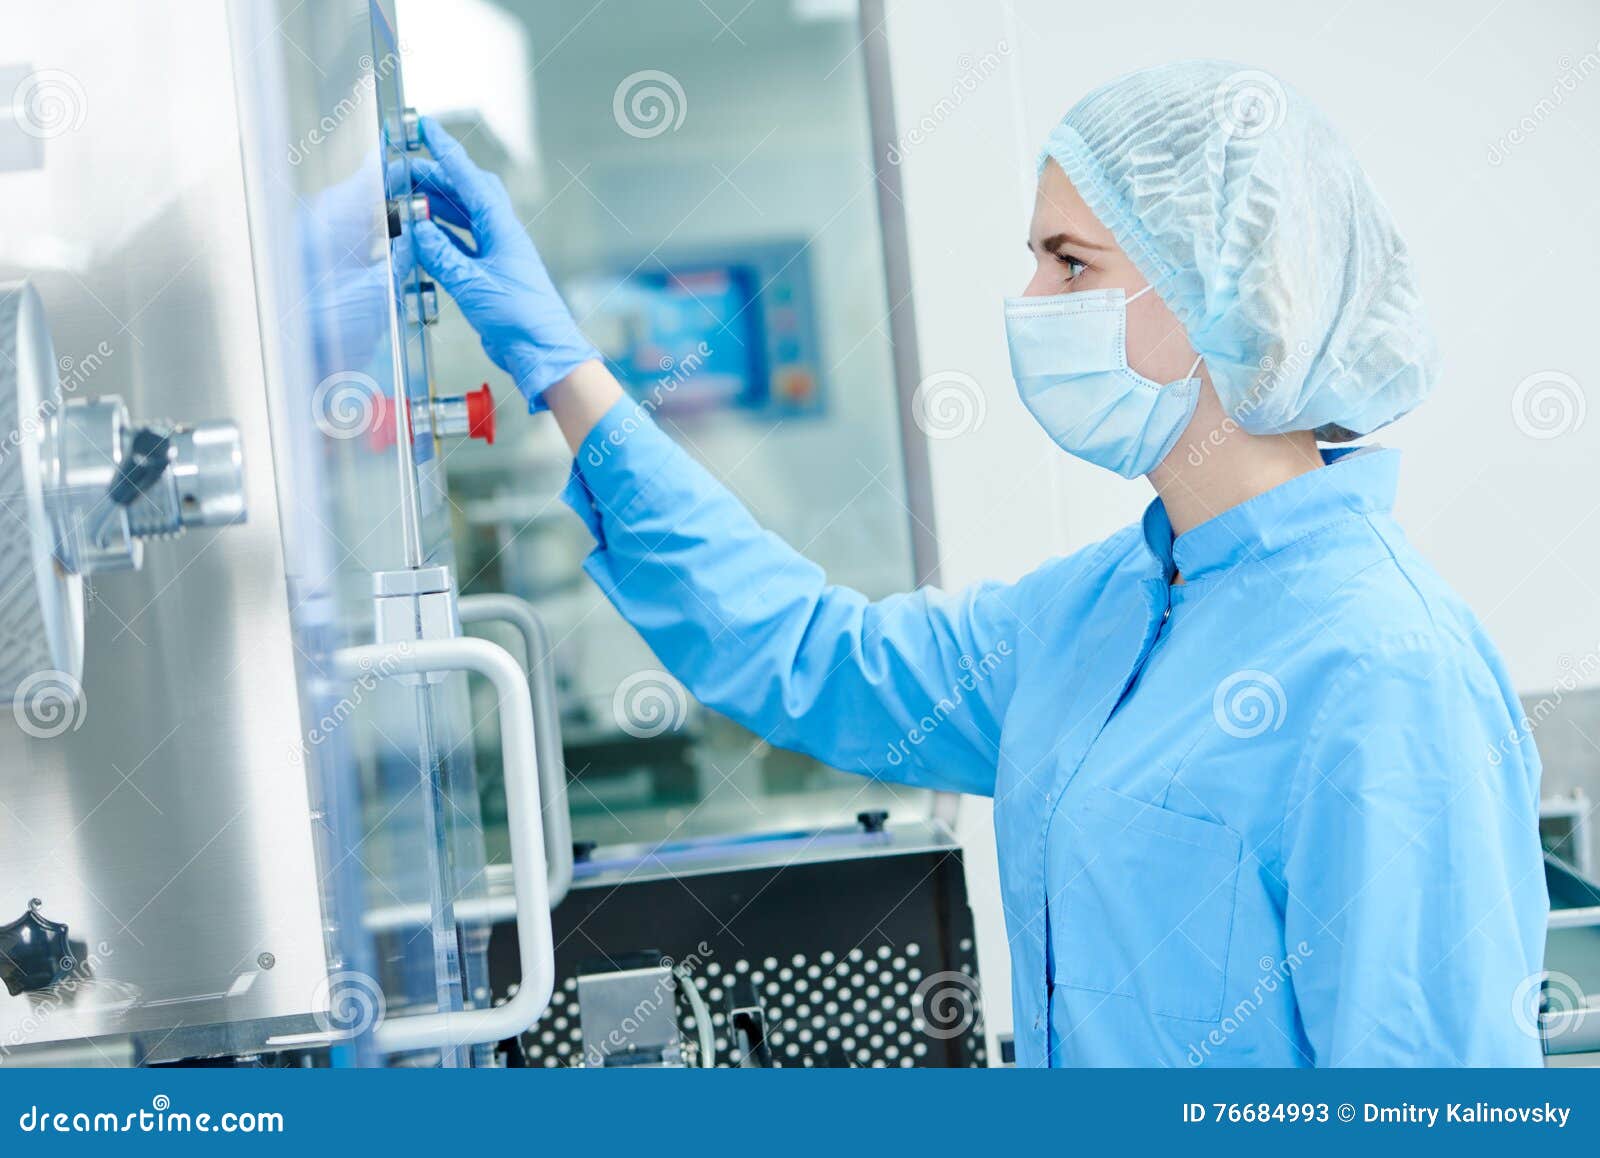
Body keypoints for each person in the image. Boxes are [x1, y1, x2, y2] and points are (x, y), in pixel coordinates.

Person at [405, 59, 1547, 1067]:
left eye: (1068, 263)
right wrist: (564, 370)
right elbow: (817, 659)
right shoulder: (1101, 611)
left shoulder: (1386, 669)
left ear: (1223, 288)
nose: (1030, 301)